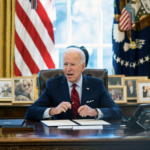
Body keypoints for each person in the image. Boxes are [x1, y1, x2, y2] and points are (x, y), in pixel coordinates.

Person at [25, 46, 123, 121]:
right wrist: (53, 110)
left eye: (72, 64)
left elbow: (117, 111)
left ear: (83, 66)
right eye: (65, 64)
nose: (68, 69)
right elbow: (30, 112)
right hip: (61, 138)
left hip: (90, 137)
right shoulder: (53, 84)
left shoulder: (96, 85)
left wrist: (95, 112)